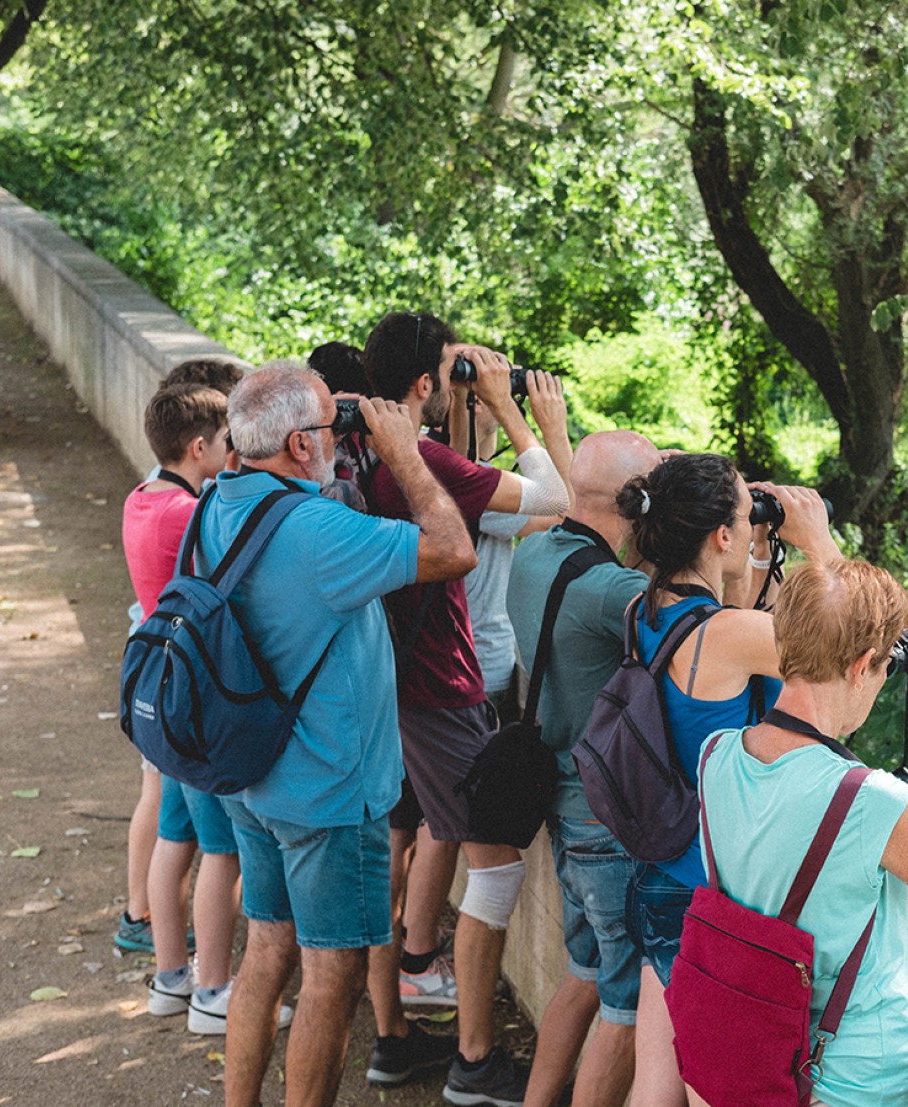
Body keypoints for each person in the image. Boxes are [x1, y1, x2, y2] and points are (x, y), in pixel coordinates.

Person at [203, 364, 477, 1107]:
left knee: (267, 949)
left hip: (249, 772)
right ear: (300, 444)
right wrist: (405, 454)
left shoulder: (216, 502)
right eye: (330, 423)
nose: (339, 433)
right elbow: (454, 548)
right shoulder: (322, 533)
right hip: (326, 791)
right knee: (333, 972)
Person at [691, 560, 908, 1106]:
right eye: (884, 667)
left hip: (748, 1060)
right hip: (847, 1085)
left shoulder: (716, 756)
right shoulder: (866, 801)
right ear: (862, 665)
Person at [359, 310, 571, 1104]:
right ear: (426, 382)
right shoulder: (422, 458)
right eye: (452, 369)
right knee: (499, 867)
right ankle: (475, 1060)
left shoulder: (370, 450)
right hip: (439, 689)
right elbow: (557, 497)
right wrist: (514, 407)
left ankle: (402, 1030)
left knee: (412, 843)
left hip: (401, 684)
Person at [613, 453, 844, 1106]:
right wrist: (818, 543)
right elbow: (851, 642)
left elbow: (732, 634)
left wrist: (759, 549)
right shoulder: (730, 634)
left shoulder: (644, 609)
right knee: (713, 1093)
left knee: (656, 1084)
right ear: (721, 535)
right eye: (746, 517)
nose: (752, 525)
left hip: (659, 873)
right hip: (709, 889)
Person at [506, 430, 663, 1107]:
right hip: (607, 825)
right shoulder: (612, 590)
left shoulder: (535, 551)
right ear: (639, 502)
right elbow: (710, 632)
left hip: (564, 806)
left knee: (586, 972)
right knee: (625, 1011)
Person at [122, 384, 266, 1035]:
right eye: (227, 441)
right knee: (222, 849)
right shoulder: (190, 512)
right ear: (200, 446)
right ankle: (212, 990)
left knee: (174, 836)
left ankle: (170, 977)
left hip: (159, 688)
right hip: (194, 696)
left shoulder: (142, 497)